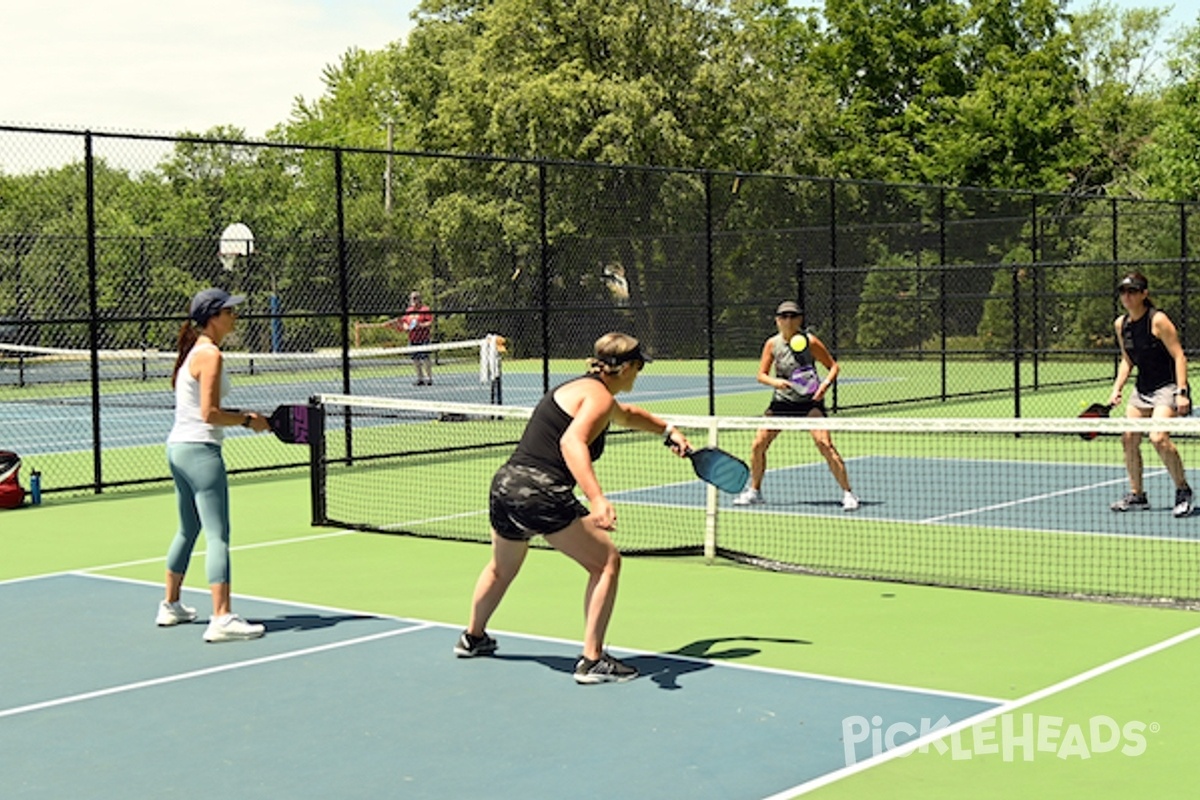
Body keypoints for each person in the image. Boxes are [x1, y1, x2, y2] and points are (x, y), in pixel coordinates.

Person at [454, 333, 693, 684]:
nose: (638, 374)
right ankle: (592, 660)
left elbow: (627, 415)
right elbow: (571, 441)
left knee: (500, 569)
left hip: (505, 486)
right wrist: (596, 498)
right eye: (638, 367)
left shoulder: (587, 390)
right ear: (626, 367)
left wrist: (667, 430)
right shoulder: (597, 398)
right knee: (606, 563)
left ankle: (472, 638)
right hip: (540, 491)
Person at [157, 288, 271, 642]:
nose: (234, 317)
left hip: (178, 448)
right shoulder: (211, 355)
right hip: (200, 451)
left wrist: (242, 418)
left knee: (187, 528)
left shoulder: (194, 352)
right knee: (218, 534)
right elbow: (209, 414)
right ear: (213, 317)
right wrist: (248, 420)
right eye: (229, 312)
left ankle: (171, 605)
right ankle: (221, 617)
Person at [734, 301, 859, 511]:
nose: (788, 320)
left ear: (799, 319)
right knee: (758, 444)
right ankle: (755, 491)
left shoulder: (810, 342)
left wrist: (824, 386)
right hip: (782, 403)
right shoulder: (772, 344)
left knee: (824, 444)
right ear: (777, 320)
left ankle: (848, 494)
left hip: (810, 403)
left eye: (792, 316)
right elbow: (761, 375)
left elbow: (833, 367)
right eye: (783, 316)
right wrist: (776, 383)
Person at [1108, 272, 1193, 517]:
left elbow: (1179, 356)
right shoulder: (1120, 324)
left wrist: (1182, 392)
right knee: (1128, 438)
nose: (1127, 296)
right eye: (1123, 291)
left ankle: (1183, 490)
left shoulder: (1158, 321)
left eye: (1132, 291)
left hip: (1167, 387)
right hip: (1142, 388)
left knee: (1158, 438)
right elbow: (1127, 360)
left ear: (1144, 294)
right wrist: (1117, 388)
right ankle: (1137, 495)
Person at [401, 291, 434, 386]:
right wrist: (405, 327)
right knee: (415, 359)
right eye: (412, 298)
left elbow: (429, 322)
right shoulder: (409, 311)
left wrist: (421, 325)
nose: (414, 300)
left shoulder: (425, 309)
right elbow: (405, 322)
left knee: (425, 358)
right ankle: (420, 378)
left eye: (416, 298)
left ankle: (429, 378)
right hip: (413, 338)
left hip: (423, 338)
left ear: (420, 299)